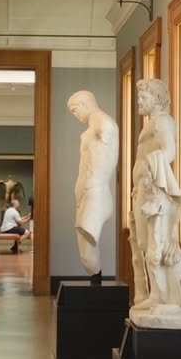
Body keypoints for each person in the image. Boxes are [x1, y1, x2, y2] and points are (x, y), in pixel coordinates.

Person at [128, 79, 181, 328]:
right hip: (143, 189)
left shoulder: (163, 121)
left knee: (158, 245)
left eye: (143, 97)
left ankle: (170, 298)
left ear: (156, 98)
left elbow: (170, 150)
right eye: (139, 97)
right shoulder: (152, 122)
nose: (139, 101)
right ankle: (157, 294)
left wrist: (153, 167)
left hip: (155, 191)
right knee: (145, 243)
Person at [67, 90, 118, 278]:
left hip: (95, 194)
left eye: (75, 110)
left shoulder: (100, 119)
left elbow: (108, 129)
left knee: (88, 254)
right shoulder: (92, 126)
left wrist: (103, 133)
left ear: (85, 104)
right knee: (86, 254)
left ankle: (96, 285)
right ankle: (95, 281)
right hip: (87, 195)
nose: (75, 115)